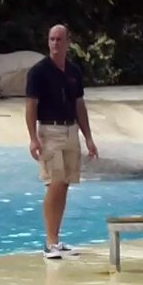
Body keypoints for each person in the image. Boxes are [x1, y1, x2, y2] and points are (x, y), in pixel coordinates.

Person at [25, 24, 98, 259]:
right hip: (50, 131)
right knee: (54, 182)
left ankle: (57, 238)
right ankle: (49, 241)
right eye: (51, 39)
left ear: (68, 42)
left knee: (65, 184)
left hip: (71, 130)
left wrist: (88, 137)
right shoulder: (38, 72)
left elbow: (79, 105)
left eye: (59, 39)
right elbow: (31, 106)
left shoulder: (74, 71)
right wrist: (33, 138)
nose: (55, 44)